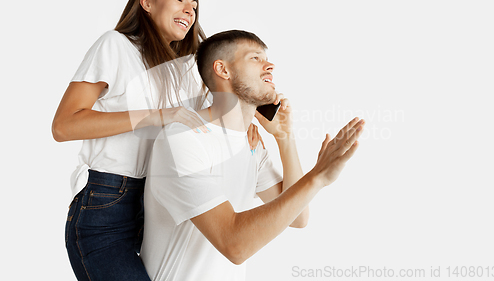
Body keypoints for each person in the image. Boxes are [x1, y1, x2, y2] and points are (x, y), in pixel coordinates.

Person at [52, 0, 262, 281]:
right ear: (146, 2)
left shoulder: (188, 67)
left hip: (162, 204)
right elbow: (64, 126)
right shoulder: (116, 46)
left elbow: (220, 101)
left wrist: (240, 125)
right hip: (108, 203)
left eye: (194, 4)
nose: (189, 10)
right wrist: (157, 115)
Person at [142, 29, 365, 280]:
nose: (269, 66)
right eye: (255, 58)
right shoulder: (182, 139)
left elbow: (298, 216)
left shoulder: (252, 145)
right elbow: (234, 244)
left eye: (266, 59)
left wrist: (284, 138)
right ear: (223, 70)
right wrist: (317, 176)